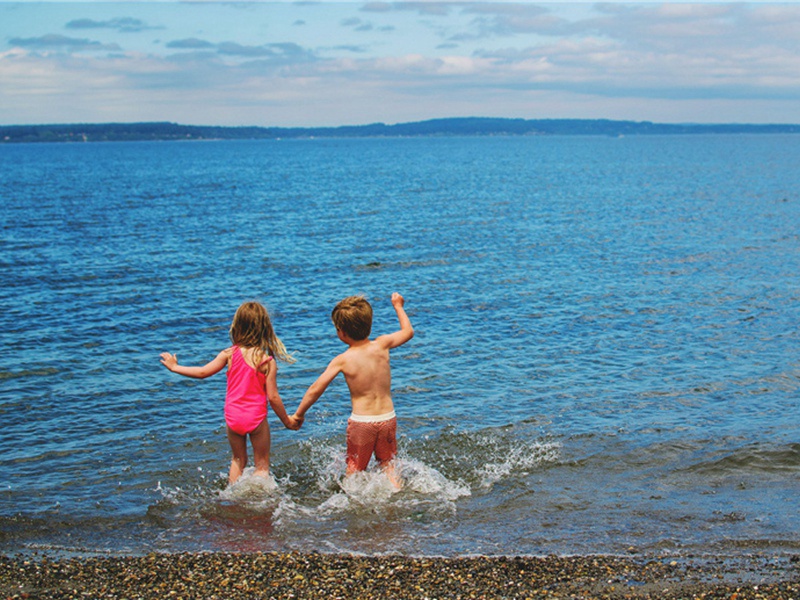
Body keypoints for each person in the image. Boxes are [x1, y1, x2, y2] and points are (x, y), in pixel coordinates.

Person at [160, 301, 299, 485]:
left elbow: (202, 372)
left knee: (238, 460)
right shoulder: (266, 361)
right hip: (255, 418)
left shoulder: (229, 354)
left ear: (237, 326)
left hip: (233, 418)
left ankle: (232, 493)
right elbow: (273, 397)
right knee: (262, 465)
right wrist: (287, 421)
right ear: (264, 328)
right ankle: (262, 497)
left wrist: (175, 367)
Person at [293, 293, 414, 487]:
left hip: (362, 423)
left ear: (341, 333)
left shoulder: (343, 359)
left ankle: (351, 501)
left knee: (355, 467)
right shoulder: (382, 344)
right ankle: (397, 492)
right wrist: (398, 306)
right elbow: (408, 332)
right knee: (388, 463)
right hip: (387, 418)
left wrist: (298, 414)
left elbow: (316, 389)